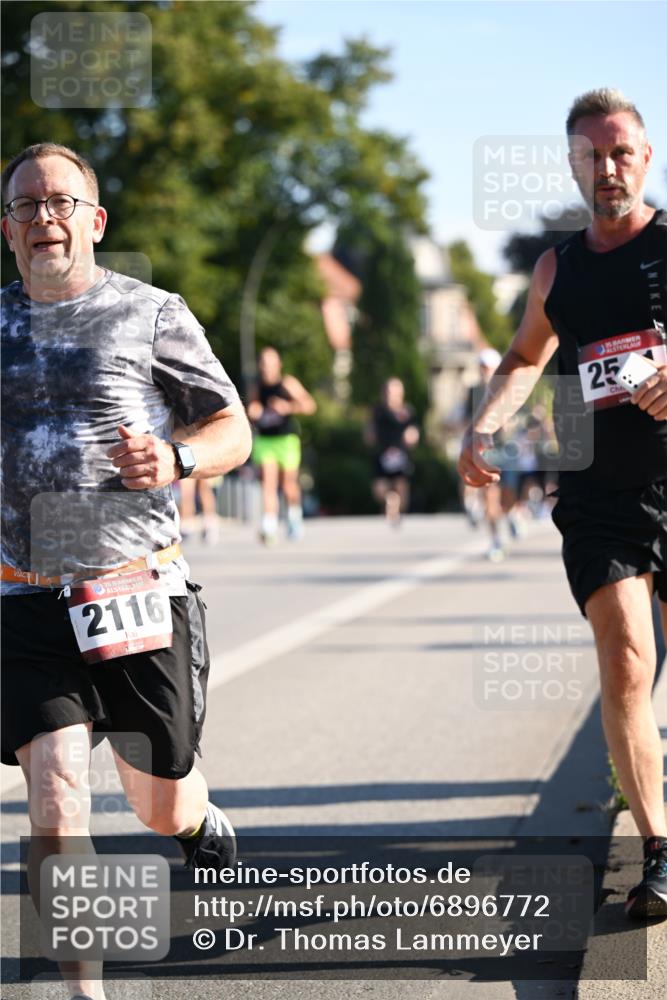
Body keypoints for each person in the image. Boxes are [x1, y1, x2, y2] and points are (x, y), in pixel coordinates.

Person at [1, 143, 252, 999]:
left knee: (157, 801)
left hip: (132, 590)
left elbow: (232, 428)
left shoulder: (149, 313)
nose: (45, 217)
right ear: (8, 231)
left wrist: (178, 459)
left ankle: (194, 819)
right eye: (27, 206)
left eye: (61, 202)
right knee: (56, 793)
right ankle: (85, 990)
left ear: (96, 221)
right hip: (24, 596)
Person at [458, 89, 667, 919]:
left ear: (644, 159)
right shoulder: (557, 268)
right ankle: (658, 849)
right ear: (572, 165)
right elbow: (522, 355)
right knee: (625, 659)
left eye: (619, 153)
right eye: (590, 155)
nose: (606, 168)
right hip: (597, 495)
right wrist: (484, 423)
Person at [246, 346, 316, 545]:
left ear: (279, 365)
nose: (267, 368)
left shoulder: (287, 383)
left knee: (288, 485)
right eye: (264, 363)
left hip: (286, 440)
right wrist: (253, 411)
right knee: (268, 483)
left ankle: (294, 517)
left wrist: (288, 407)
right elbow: (251, 409)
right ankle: (269, 526)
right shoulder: (256, 386)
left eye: (271, 363)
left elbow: (310, 406)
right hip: (265, 441)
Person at [366, 377, 420, 526]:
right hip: (382, 454)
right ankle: (390, 500)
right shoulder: (378, 411)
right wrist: (370, 435)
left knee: (402, 492)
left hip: (401, 455)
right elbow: (369, 432)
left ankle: (396, 507)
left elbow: (414, 431)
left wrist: (412, 435)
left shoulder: (407, 411)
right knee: (379, 489)